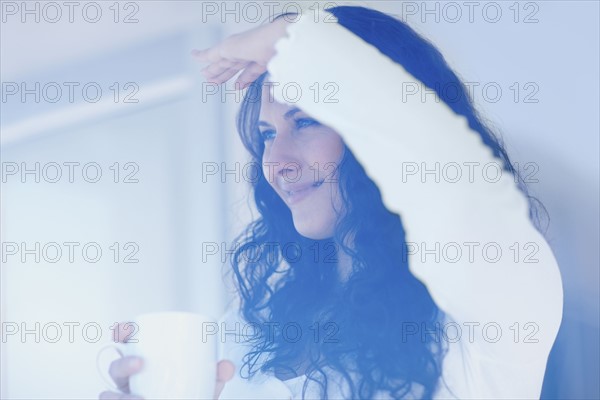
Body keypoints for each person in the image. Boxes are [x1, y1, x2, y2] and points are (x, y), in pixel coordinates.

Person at [99, 5, 564, 399]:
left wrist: (295, 40)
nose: (275, 161)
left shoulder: (494, 282)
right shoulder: (255, 319)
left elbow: (444, 174)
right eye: (266, 135)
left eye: (304, 122)